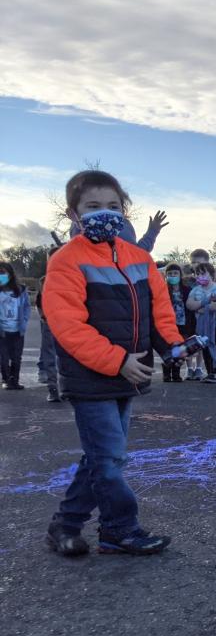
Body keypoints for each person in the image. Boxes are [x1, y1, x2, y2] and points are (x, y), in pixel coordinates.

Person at [42, 170, 184, 556]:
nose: (105, 214)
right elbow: (67, 325)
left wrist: (173, 345)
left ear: (125, 212)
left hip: (127, 374)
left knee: (101, 457)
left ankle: (66, 525)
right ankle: (120, 528)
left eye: (113, 206)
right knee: (108, 458)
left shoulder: (139, 259)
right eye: (93, 207)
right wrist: (116, 360)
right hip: (91, 376)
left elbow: (160, 310)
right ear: (74, 214)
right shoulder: (66, 261)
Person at [186, 262, 216, 383]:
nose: (200, 276)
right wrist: (202, 305)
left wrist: (201, 307)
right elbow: (189, 305)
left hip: (214, 325)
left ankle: (215, 373)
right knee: (205, 348)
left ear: (211, 274)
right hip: (200, 325)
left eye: (203, 273)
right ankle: (209, 372)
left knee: (214, 346)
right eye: (198, 274)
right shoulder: (196, 289)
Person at [0, 261, 31, 390]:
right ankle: (6, 380)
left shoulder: (21, 289)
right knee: (4, 357)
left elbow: (26, 307)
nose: (1, 276)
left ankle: (15, 381)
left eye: (3, 273)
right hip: (2, 331)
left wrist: (23, 322)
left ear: (10, 274)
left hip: (17, 330)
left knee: (17, 357)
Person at [36, 259, 63, 402]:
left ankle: (54, 389)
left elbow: (39, 303)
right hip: (65, 322)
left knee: (50, 355)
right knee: (63, 356)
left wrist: (43, 317)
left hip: (51, 321)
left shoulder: (45, 280)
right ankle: (61, 388)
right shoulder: (71, 276)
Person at [161, 264, 188, 382]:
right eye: (170, 274)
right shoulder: (163, 290)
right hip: (168, 324)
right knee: (168, 348)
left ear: (180, 275)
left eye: (175, 273)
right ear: (166, 276)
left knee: (179, 349)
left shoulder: (186, 290)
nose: (173, 276)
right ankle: (167, 370)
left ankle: (176, 371)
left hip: (183, 323)